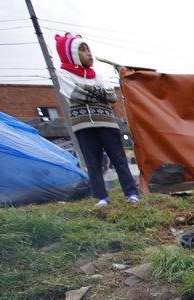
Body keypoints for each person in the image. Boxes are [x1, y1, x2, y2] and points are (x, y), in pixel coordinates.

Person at [54, 33, 139, 206]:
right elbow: (75, 94)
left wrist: (87, 90)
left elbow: (111, 96)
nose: (89, 53)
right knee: (93, 162)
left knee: (119, 159)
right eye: (83, 50)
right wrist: (99, 93)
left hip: (107, 122)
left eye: (89, 49)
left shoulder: (98, 75)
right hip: (83, 124)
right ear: (72, 54)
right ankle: (101, 197)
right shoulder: (63, 74)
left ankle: (131, 193)